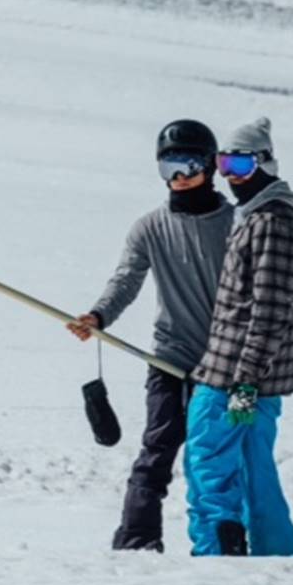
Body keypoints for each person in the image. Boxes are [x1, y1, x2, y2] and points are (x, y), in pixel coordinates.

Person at [69, 120, 234, 552]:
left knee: (216, 460)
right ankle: (136, 542)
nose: (178, 179)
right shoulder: (149, 227)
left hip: (224, 365)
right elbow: (126, 279)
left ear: (211, 167)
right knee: (157, 451)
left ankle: (226, 545)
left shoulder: (236, 223)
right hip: (170, 358)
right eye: (167, 169)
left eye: (188, 166)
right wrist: (98, 315)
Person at [186, 117, 293, 557]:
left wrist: (245, 381)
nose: (229, 176)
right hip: (247, 380)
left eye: (239, 164)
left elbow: (271, 310)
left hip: (235, 381)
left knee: (209, 466)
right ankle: (273, 560)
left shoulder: (272, 222)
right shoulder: (260, 217)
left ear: (265, 163)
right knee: (250, 465)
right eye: (223, 163)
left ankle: (217, 560)